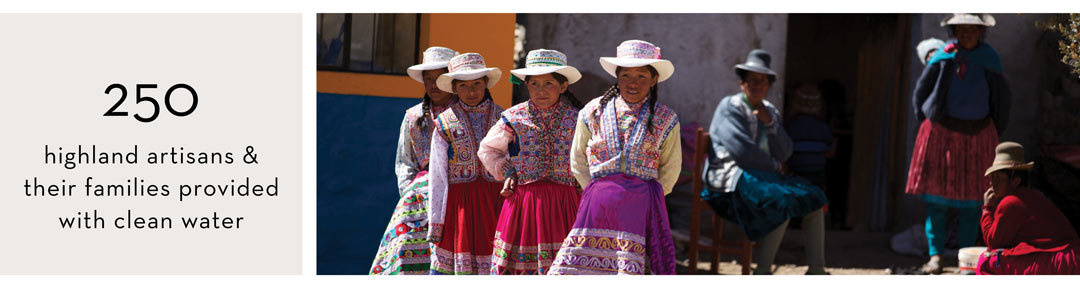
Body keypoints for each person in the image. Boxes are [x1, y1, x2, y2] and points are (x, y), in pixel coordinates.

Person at [547, 40, 680, 275]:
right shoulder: (593, 111)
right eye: (626, 75)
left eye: (641, 76)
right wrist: (594, 190)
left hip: (640, 206)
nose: (633, 83)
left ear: (654, 80)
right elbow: (577, 158)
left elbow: (671, 167)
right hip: (598, 204)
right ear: (617, 77)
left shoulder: (666, 118)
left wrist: (651, 198)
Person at [702, 49, 830, 275]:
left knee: (815, 200)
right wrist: (774, 166)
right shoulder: (730, 107)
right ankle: (762, 271)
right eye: (752, 80)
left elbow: (786, 152)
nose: (757, 85)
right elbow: (741, 151)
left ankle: (817, 269)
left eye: (763, 81)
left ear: (769, 85)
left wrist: (770, 124)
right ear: (742, 83)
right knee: (781, 201)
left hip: (763, 180)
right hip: (730, 180)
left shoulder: (769, 110)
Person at [907, 13, 1011, 274]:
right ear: (954, 31)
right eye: (961, 29)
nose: (966, 34)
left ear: (980, 32)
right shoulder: (943, 57)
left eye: (971, 29)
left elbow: (1001, 98)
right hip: (942, 134)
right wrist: (925, 120)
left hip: (978, 135)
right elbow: (921, 92)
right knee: (937, 201)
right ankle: (936, 257)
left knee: (972, 201)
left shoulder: (989, 60)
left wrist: (993, 128)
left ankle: (966, 260)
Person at [477, 49, 583, 274]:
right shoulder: (514, 118)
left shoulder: (578, 119)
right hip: (524, 204)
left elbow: (588, 155)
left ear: (563, 86)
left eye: (548, 83)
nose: (541, 90)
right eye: (534, 84)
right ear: (526, 85)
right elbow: (488, 150)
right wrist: (508, 172)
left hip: (565, 203)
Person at [370, 46, 459, 275]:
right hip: (418, 203)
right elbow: (405, 164)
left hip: (458, 198)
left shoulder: (465, 115)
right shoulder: (413, 117)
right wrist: (412, 196)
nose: (432, 84)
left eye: (438, 78)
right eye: (428, 78)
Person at [427, 52, 507, 274]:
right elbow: (437, 176)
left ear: (485, 84)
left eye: (476, 84)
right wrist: (436, 222)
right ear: (454, 88)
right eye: (463, 86)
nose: (471, 92)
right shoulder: (444, 123)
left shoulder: (505, 118)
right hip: (460, 208)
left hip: (497, 203)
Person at [977, 142, 1080, 275]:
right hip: (1070, 257)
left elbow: (993, 242)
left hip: (1062, 262)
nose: (992, 183)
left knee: (987, 261)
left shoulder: (1012, 201)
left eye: (998, 178)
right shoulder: (1031, 195)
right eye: (992, 178)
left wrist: (987, 209)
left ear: (1015, 181)